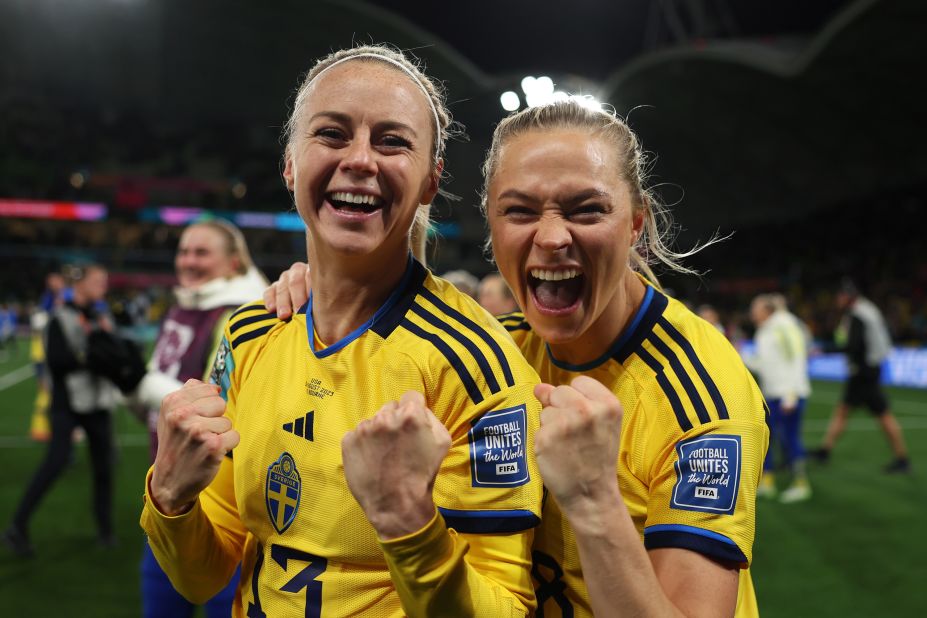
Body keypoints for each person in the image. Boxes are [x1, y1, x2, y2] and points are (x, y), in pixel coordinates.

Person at [267, 99, 769, 617]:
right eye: (520, 212)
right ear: (491, 225)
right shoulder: (496, 349)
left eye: (587, 210)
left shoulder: (704, 397)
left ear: (636, 221)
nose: (551, 238)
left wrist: (594, 497)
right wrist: (331, 291)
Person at [140, 45, 544, 617]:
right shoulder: (247, 334)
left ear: (431, 182)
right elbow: (202, 577)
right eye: (332, 134)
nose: (361, 160)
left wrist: (409, 524)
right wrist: (170, 499)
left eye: (392, 141)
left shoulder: (476, 364)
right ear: (289, 164)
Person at [129, 218, 267, 618]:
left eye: (201, 252)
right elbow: (157, 413)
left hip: (226, 496)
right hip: (171, 486)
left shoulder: (244, 314)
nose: (188, 261)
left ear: (235, 262)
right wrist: (130, 387)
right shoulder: (183, 307)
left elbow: (219, 406)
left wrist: (138, 380)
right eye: (184, 251)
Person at [3, 264, 120, 557]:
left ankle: (105, 531)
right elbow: (58, 361)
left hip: (97, 403)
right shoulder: (60, 317)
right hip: (68, 403)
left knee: (104, 468)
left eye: (105, 281)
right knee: (54, 463)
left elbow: (115, 352)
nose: (103, 286)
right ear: (79, 284)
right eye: (97, 281)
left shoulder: (102, 315)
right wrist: (97, 357)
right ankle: (17, 527)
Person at [811, 279, 911, 473]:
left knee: (881, 414)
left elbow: (853, 346)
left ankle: (902, 459)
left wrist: (824, 349)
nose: (837, 299)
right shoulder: (866, 309)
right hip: (869, 368)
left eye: (840, 295)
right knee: (846, 410)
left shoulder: (858, 314)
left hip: (864, 371)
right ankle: (825, 450)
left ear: (848, 296)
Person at [744, 293, 812, 502]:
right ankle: (768, 481)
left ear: (766, 310)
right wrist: (742, 357)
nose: (752, 314)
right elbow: (765, 364)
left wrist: (790, 394)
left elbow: (797, 358)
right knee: (768, 439)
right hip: (772, 393)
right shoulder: (766, 329)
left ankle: (801, 484)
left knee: (790, 438)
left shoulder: (785, 325)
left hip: (787, 394)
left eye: (755, 309)